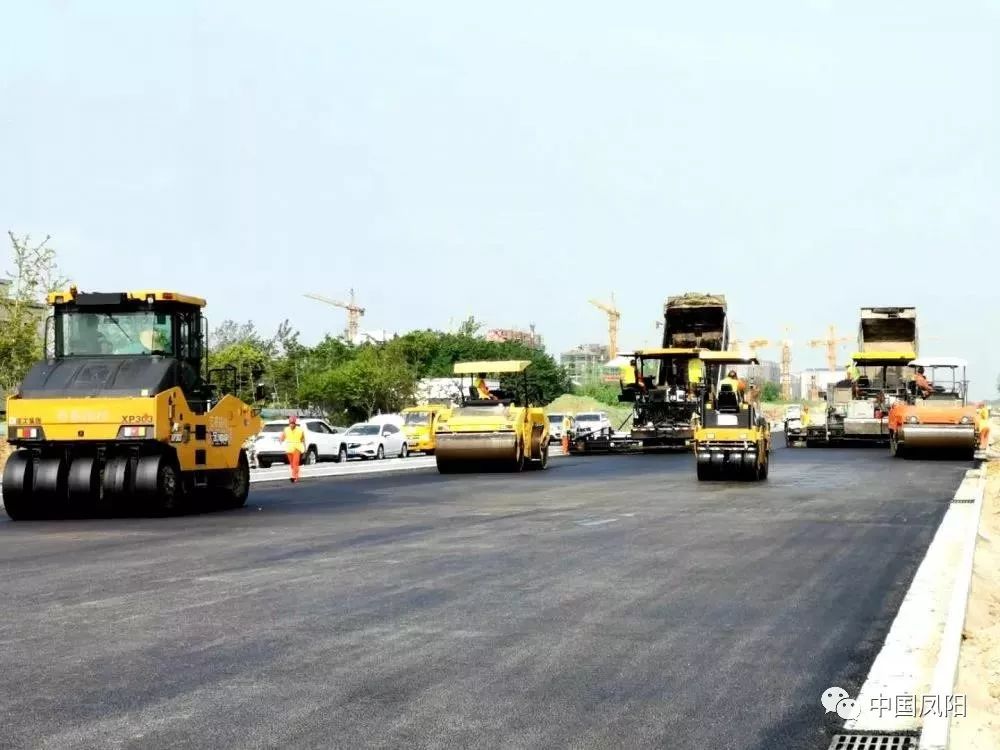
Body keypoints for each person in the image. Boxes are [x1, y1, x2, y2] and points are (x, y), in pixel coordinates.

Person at [279, 415, 306, 483]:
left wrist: (305, 450)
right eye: (290, 423)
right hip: (289, 449)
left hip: (297, 448)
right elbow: (282, 438)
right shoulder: (286, 429)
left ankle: (295, 477)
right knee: (292, 464)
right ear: (289, 423)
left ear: (295, 423)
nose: (291, 424)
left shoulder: (300, 430)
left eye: (293, 423)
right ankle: (295, 475)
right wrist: (280, 440)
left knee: (295, 463)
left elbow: (303, 440)